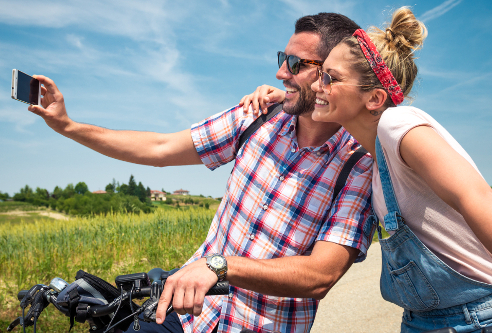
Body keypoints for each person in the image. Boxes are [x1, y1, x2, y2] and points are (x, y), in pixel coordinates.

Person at [27, 13, 374, 333]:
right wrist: (69, 127)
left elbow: (320, 275)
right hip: (188, 313)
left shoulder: (358, 162)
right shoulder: (257, 116)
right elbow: (160, 149)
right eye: (282, 60)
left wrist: (219, 266)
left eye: (297, 64)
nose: (282, 74)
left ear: (330, 72)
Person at [242, 7, 492, 333]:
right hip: (426, 319)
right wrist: (284, 95)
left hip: (476, 316)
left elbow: (474, 195)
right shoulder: (374, 153)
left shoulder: (397, 124)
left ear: (374, 98)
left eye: (330, 78)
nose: (319, 85)